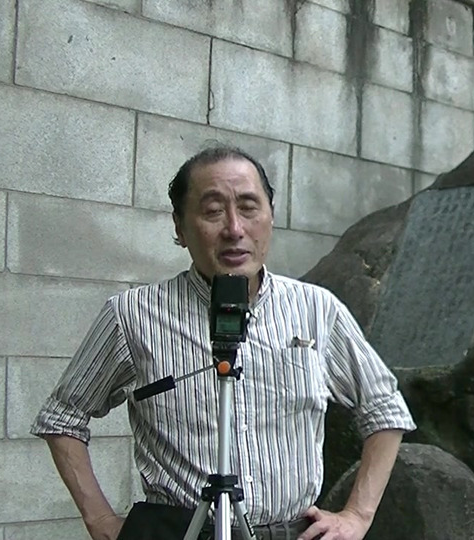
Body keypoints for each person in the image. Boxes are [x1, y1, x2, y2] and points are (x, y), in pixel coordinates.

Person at [31, 145, 417, 540]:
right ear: (180, 228)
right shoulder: (133, 315)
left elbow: (384, 407)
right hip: (181, 531)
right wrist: (100, 520)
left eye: (249, 207)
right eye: (213, 211)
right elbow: (61, 418)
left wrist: (357, 515)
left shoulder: (317, 309)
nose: (234, 229)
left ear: (270, 216)